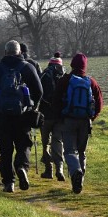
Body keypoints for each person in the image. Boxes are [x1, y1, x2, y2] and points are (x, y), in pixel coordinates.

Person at [0, 40, 43, 193]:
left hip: (2, 115)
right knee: (24, 144)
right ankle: (21, 167)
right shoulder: (27, 67)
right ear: (20, 52)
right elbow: (39, 91)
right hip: (23, 115)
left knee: (5, 150)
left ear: (5, 52)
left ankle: (8, 183)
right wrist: (33, 106)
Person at [55, 53, 103, 194]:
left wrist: (60, 117)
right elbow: (99, 104)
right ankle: (79, 181)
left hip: (68, 120)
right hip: (85, 122)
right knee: (82, 152)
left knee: (70, 151)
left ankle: (76, 172)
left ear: (72, 65)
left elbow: (55, 100)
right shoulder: (91, 82)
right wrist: (91, 118)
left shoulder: (65, 81)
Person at [38, 53, 65, 181]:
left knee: (45, 143)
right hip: (59, 115)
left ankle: (49, 169)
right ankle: (60, 169)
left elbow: (38, 93)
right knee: (58, 141)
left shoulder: (43, 75)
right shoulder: (63, 76)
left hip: (45, 115)